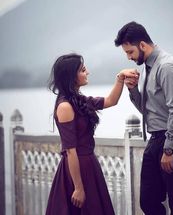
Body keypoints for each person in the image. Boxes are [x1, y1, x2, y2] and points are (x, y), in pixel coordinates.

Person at [114, 21, 173, 215]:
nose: (129, 58)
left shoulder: (166, 66)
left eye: (130, 52)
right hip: (156, 140)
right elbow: (149, 110)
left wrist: (169, 149)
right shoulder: (147, 68)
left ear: (142, 45)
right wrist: (133, 89)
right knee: (148, 201)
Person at [46, 53, 138, 215]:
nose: (87, 72)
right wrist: (78, 188)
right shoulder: (65, 106)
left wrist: (120, 79)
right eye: (82, 70)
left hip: (89, 164)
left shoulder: (79, 100)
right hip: (76, 170)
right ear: (71, 76)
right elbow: (70, 150)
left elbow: (111, 101)